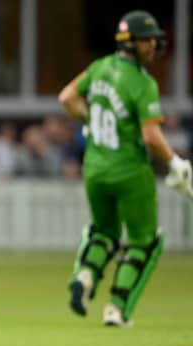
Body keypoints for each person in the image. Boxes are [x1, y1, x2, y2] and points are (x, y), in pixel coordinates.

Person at [58, 10, 192, 327]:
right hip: (131, 171)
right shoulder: (144, 83)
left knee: (104, 231)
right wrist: (175, 163)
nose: (153, 46)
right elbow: (151, 136)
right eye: (148, 40)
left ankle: (86, 275)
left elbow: (67, 97)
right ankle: (116, 308)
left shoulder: (101, 67)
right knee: (144, 241)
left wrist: (89, 119)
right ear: (131, 43)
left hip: (95, 168)